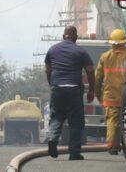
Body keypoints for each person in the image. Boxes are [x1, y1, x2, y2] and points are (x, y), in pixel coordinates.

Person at [44, 25, 96, 161]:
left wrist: (52, 85)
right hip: (73, 89)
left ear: (63, 36)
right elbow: (90, 71)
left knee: (56, 117)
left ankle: (53, 139)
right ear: (76, 37)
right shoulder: (81, 51)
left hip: (57, 88)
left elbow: (47, 70)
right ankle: (74, 153)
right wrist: (91, 90)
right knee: (76, 121)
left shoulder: (52, 49)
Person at [95, 28, 126, 155]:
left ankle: (111, 145)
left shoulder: (105, 56)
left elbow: (98, 78)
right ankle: (121, 144)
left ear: (111, 43)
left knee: (112, 121)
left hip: (110, 94)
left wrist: (98, 94)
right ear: (124, 42)